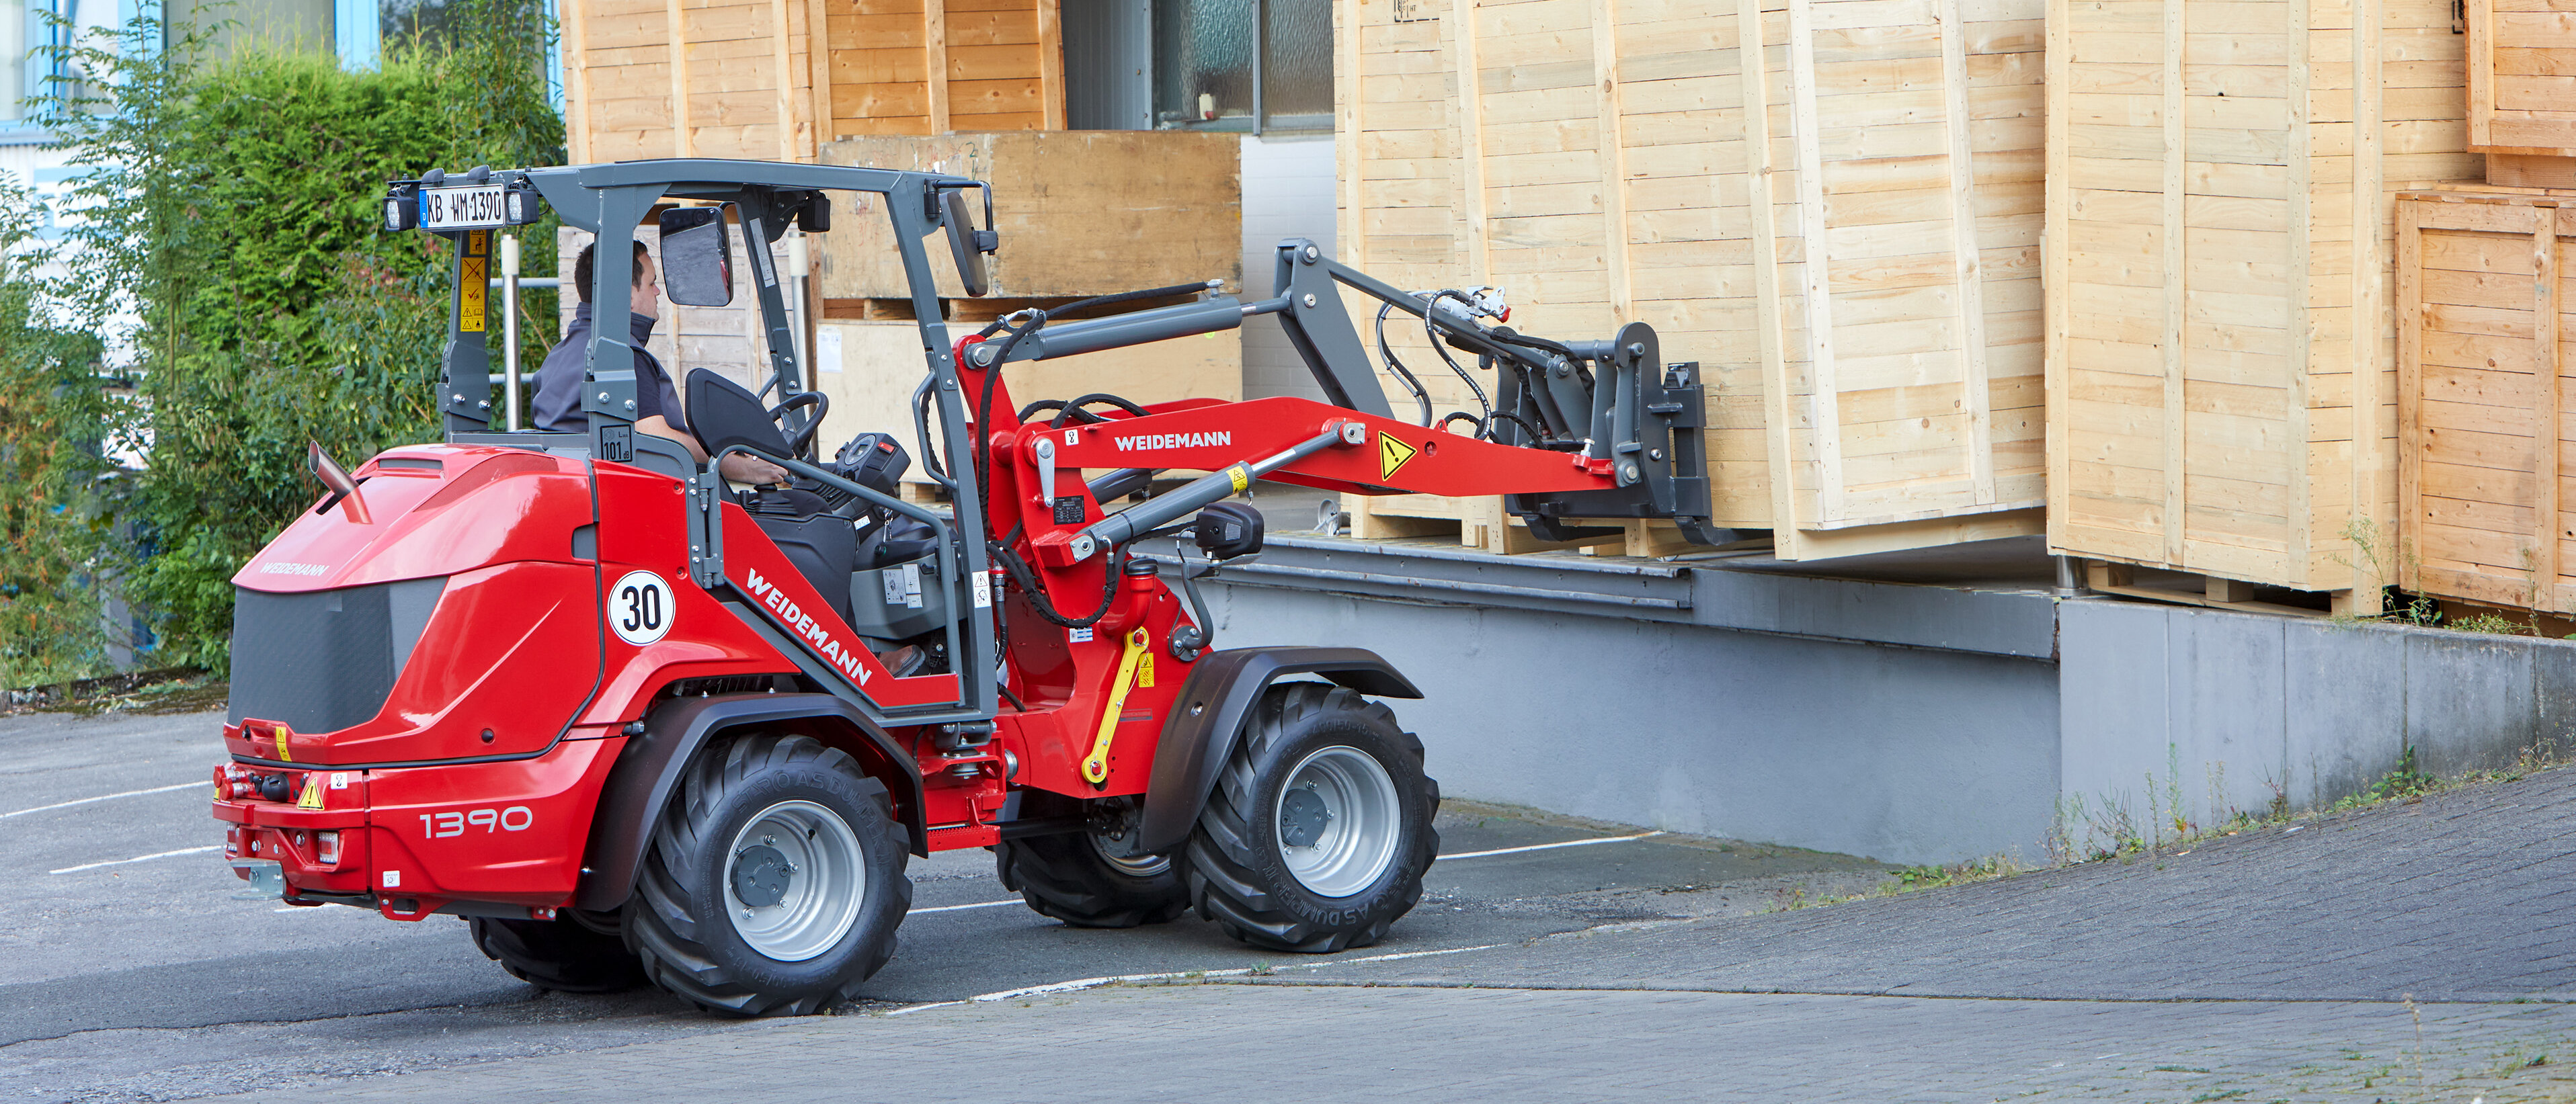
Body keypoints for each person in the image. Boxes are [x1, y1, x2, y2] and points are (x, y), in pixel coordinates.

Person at [533, 240, 789, 486]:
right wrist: (740, 467)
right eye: (651, 283)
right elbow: (659, 440)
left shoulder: (558, 357)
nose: (657, 292)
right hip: (640, 500)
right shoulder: (619, 357)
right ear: (627, 295)